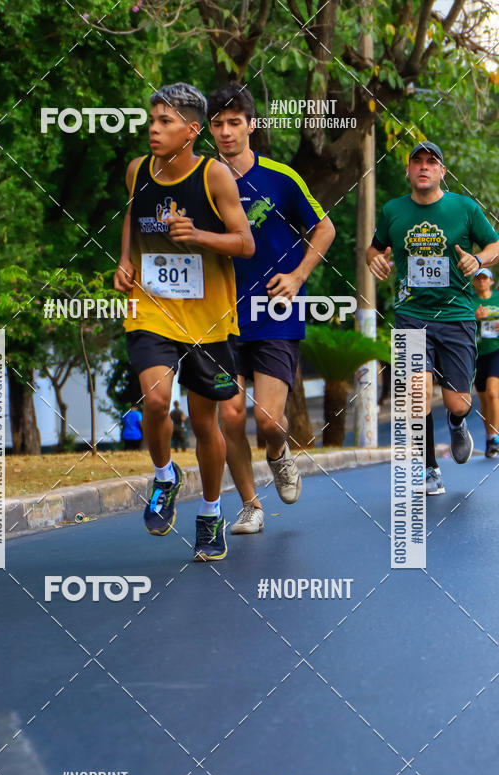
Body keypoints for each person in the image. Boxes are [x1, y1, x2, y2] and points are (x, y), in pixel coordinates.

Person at [114, 82, 255, 560]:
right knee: (155, 399)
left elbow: (245, 243)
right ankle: (163, 476)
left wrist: (198, 235)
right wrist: (125, 262)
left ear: (192, 131)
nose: (153, 130)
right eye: (151, 120)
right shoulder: (139, 171)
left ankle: (211, 514)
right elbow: (132, 217)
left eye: (165, 122)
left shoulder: (215, 176)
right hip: (151, 306)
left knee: (203, 422)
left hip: (208, 319)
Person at [207, 83, 336, 533]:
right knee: (230, 414)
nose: (226, 132)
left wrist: (299, 276)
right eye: (218, 124)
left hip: (274, 312)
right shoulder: (200, 180)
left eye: (234, 123)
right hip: (218, 317)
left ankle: (278, 453)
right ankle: (250, 505)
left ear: (251, 125)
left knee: (265, 419)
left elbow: (325, 228)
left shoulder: (280, 177)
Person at [367, 140, 499, 496]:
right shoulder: (394, 210)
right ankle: (429, 469)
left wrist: (479, 260)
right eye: (417, 161)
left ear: (442, 171)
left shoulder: (465, 208)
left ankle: (457, 423)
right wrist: (374, 259)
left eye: (432, 162)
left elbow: (494, 244)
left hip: (456, 315)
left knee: (459, 401)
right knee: (417, 394)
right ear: (409, 171)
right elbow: (375, 247)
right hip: (411, 314)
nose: (424, 166)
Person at [473, 268, 499, 457]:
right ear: (474, 282)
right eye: (478, 279)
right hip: (476, 353)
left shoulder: (497, 298)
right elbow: (459, 324)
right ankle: (490, 438)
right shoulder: (470, 302)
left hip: (496, 350)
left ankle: (495, 437)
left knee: (492, 392)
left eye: (485, 278)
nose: (482, 282)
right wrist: (474, 318)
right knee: (483, 398)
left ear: (491, 281)